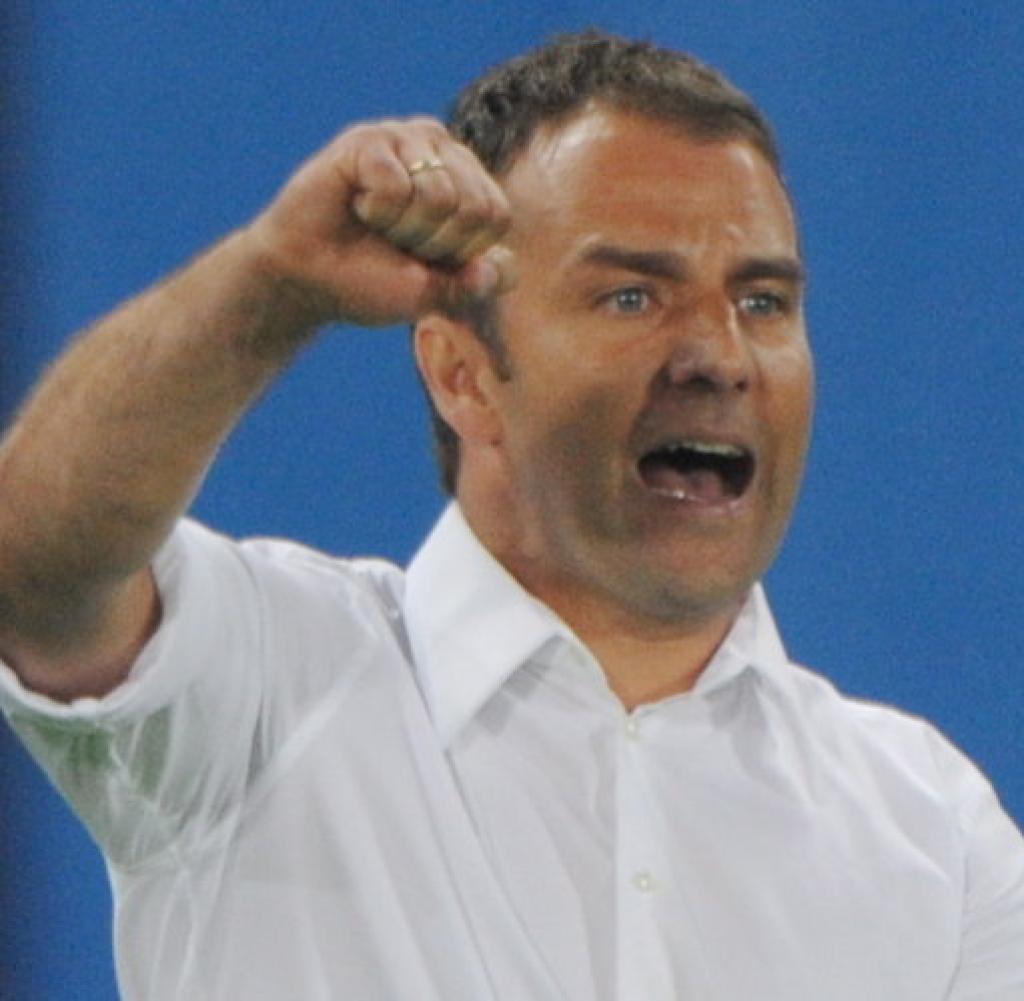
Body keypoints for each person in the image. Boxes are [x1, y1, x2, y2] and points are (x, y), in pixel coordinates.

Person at [0, 29, 1021, 1001]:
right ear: (463, 374)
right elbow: (30, 558)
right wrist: (272, 281)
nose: (719, 354)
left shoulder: (935, 833)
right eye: (632, 296)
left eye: (762, 301)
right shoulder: (263, 687)